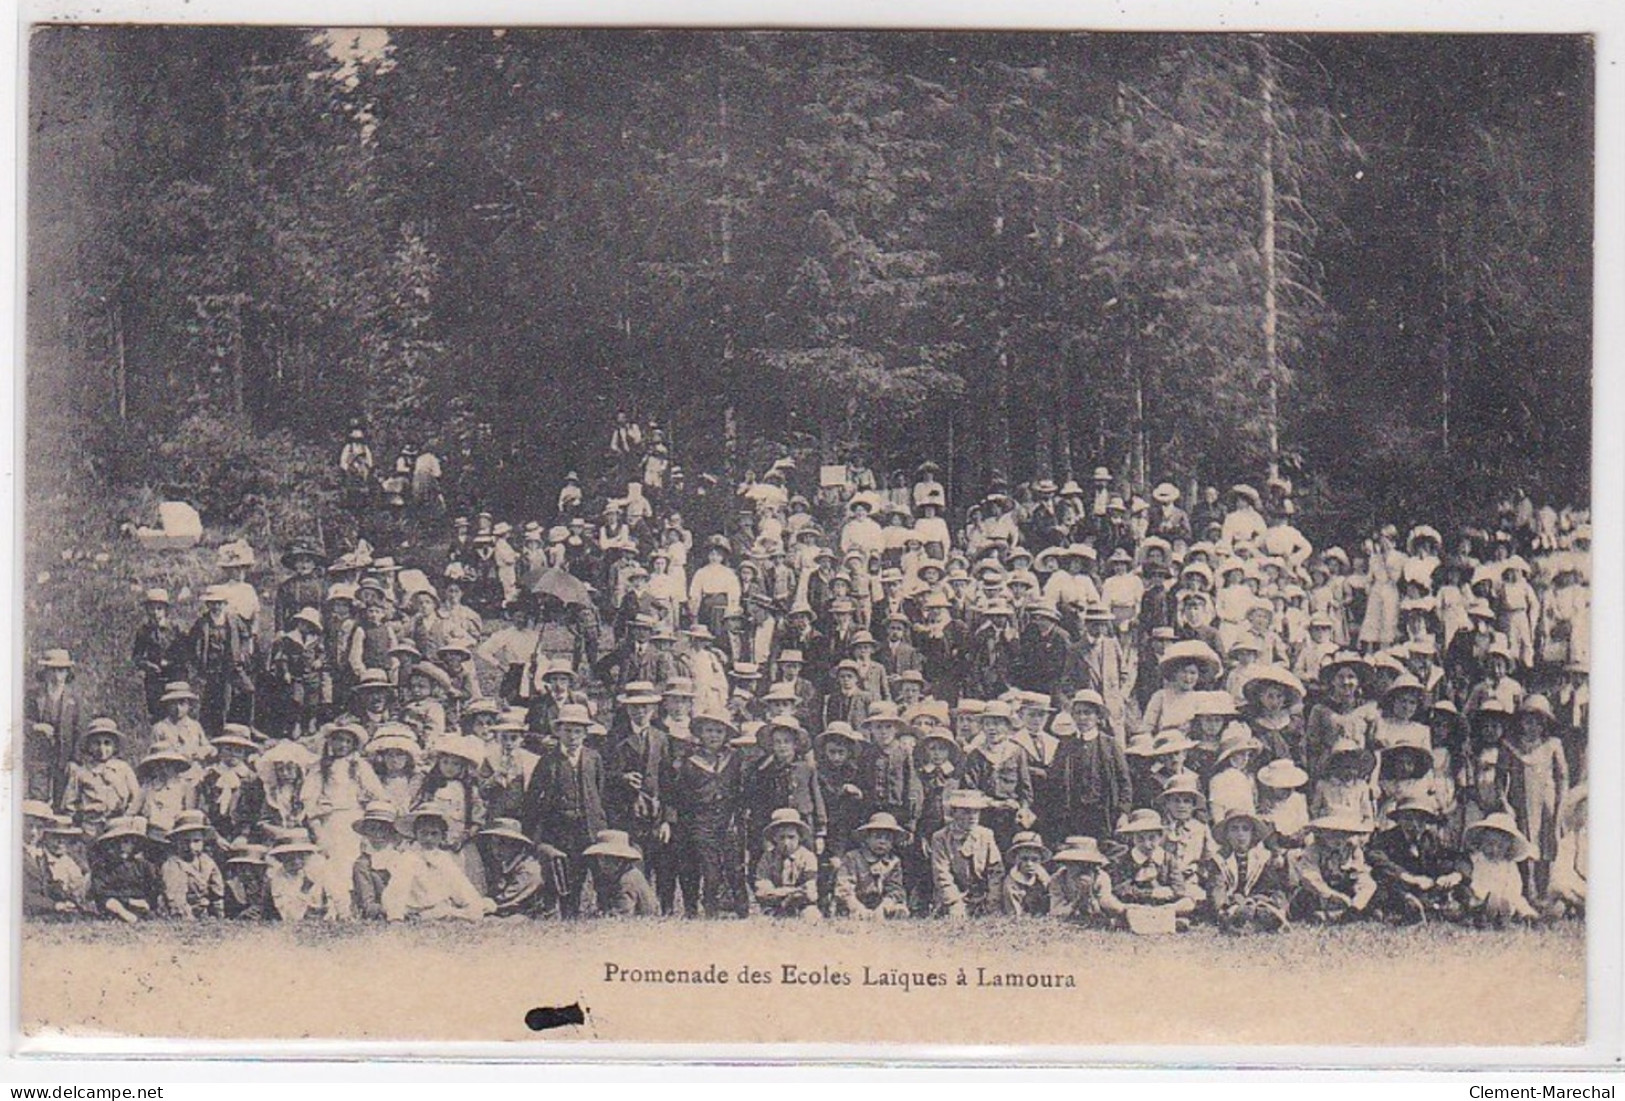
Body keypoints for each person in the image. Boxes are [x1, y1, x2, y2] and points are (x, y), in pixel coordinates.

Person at [520, 703, 606, 917]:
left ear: (585, 733)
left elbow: (599, 790)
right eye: (567, 730)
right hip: (560, 827)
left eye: (578, 731)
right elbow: (533, 796)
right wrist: (533, 831)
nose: (572, 736)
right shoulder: (548, 760)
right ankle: (567, 913)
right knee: (565, 872)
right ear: (558, 731)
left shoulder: (593, 758)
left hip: (588, 826)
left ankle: (596, 911)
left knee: (591, 870)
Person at [1203, 808, 1289, 933]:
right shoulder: (1219, 860)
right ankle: (1235, 918)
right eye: (1234, 829)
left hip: (1257, 899)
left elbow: (1269, 887)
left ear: (1253, 834)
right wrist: (1223, 906)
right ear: (1226, 835)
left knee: (1271, 900)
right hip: (1231, 901)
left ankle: (1265, 916)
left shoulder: (1262, 858)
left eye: (1245, 829)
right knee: (1230, 906)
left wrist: (1258, 900)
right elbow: (1217, 887)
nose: (1240, 834)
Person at [1288, 816, 1377, 924]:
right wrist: (1331, 894)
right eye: (1332, 834)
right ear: (1322, 834)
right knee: (1308, 897)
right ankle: (1330, 914)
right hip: (1321, 889)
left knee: (1369, 884)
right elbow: (1310, 877)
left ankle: (1352, 911)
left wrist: (1358, 892)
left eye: (1343, 834)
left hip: (1344, 887)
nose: (1338, 839)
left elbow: (1359, 873)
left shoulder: (1352, 850)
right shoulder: (1313, 851)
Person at [929, 789, 1004, 918]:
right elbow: (941, 874)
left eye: (976, 811)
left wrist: (993, 900)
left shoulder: (986, 835)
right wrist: (954, 902)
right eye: (966, 811)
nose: (973, 816)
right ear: (954, 812)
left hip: (982, 895)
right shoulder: (940, 837)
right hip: (954, 895)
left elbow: (996, 870)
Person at [27, 649, 85, 808]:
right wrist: (36, 726)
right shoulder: (33, 696)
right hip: (39, 757)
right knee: (38, 800)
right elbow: (16, 722)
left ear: (67, 673)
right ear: (45, 672)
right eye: (52, 670)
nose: (57, 675)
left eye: (61, 670)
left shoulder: (74, 699)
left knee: (62, 802)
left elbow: (78, 731)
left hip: (63, 757)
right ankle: (36, 832)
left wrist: (75, 760)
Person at [1461, 812, 1539, 926]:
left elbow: (1515, 886)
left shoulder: (1509, 865)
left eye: (1500, 846)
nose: (1494, 850)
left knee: (1517, 902)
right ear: (1482, 842)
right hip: (1482, 897)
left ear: (1508, 848)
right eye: (1489, 844)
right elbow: (1474, 881)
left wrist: (1509, 897)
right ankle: (1490, 916)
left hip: (1506, 896)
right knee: (1484, 902)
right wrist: (1483, 894)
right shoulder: (1478, 859)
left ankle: (1525, 917)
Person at [833, 812, 910, 920]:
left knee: (900, 910)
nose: (882, 842)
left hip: (880, 905)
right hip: (856, 903)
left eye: (887, 838)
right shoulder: (852, 857)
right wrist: (857, 907)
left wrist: (883, 907)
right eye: (877, 837)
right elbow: (844, 888)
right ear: (867, 838)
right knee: (851, 914)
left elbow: (895, 890)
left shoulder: (894, 861)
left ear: (893, 842)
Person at [88, 816, 162, 923]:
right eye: (117, 842)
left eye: (128, 842)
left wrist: (147, 901)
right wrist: (128, 901)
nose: (123, 846)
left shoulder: (143, 865)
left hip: (139, 902)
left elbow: (154, 887)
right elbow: (101, 891)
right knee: (110, 903)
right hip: (116, 902)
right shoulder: (103, 866)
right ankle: (123, 914)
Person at [752, 808, 821, 920]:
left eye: (791, 837)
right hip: (774, 907)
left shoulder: (808, 857)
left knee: (812, 917)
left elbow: (810, 892)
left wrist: (780, 893)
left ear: (800, 837)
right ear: (774, 838)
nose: (786, 843)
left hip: (802, 906)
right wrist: (793, 891)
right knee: (760, 923)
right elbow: (762, 890)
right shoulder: (767, 858)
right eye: (781, 837)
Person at [158, 810, 225, 920]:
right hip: (178, 912)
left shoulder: (207, 862)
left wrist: (218, 915)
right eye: (185, 842)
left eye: (196, 841)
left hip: (203, 912)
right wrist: (188, 918)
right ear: (177, 842)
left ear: (203, 841)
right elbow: (176, 899)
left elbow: (217, 892)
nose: (191, 847)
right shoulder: (173, 865)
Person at [132, 590, 183, 721]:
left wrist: (171, 662)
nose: (155, 612)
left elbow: (185, 652)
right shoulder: (143, 631)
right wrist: (148, 665)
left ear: (165, 610)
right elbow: (137, 657)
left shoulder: (176, 629)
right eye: (151, 608)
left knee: (176, 709)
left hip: (174, 675)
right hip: (154, 678)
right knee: (157, 712)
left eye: (159, 608)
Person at [584, 831, 660, 917]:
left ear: (620, 860)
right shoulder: (613, 875)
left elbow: (622, 914)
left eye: (608, 858)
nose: (602, 863)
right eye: (600, 858)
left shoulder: (626, 880)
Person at [999, 830, 1053, 917]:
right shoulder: (1011, 884)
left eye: (1034, 860)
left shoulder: (1046, 879)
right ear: (1016, 860)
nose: (1029, 864)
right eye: (1024, 859)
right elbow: (1014, 914)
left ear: (1040, 860)